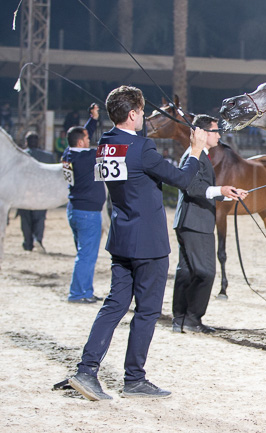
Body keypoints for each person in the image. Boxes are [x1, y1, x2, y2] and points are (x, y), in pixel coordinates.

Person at [66, 85, 205, 401]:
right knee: (147, 311)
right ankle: (134, 379)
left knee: (114, 306)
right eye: (141, 112)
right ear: (132, 114)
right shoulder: (142, 148)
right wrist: (195, 149)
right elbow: (183, 179)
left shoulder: (105, 144)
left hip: (122, 237)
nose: (143, 117)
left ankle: (87, 370)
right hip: (149, 243)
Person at [172, 114, 248, 334]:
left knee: (186, 272)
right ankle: (192, 319)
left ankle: (180, 319)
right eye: (215, 131)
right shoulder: (194, 156)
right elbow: (192, 187)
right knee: (206, 272)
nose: (219, 136)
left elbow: (201, 188)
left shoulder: (198, 156)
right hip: (196, 222)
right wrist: (220, 190)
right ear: (203, 134)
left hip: (189, 221)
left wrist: (227, 194)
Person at [61, 126, 106, 304]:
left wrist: (92, 121)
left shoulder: (68, 154)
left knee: (84, 254)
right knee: (87, 255)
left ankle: (85, 290)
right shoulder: (88, 157)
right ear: (80, 142)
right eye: (87, 139)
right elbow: (108, 147)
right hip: (88, 213)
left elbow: (77, 137)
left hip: (75, 210)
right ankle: (78, 293)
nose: (89, 141)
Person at [17, 131, 57, 252]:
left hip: (24, 194)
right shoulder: (48, 157)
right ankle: (38, 240)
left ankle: (28, 243)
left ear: (26, 142)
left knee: (26, 220)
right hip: (41, 194)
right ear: (38, 142)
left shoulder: (19, 156)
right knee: (39, 219)